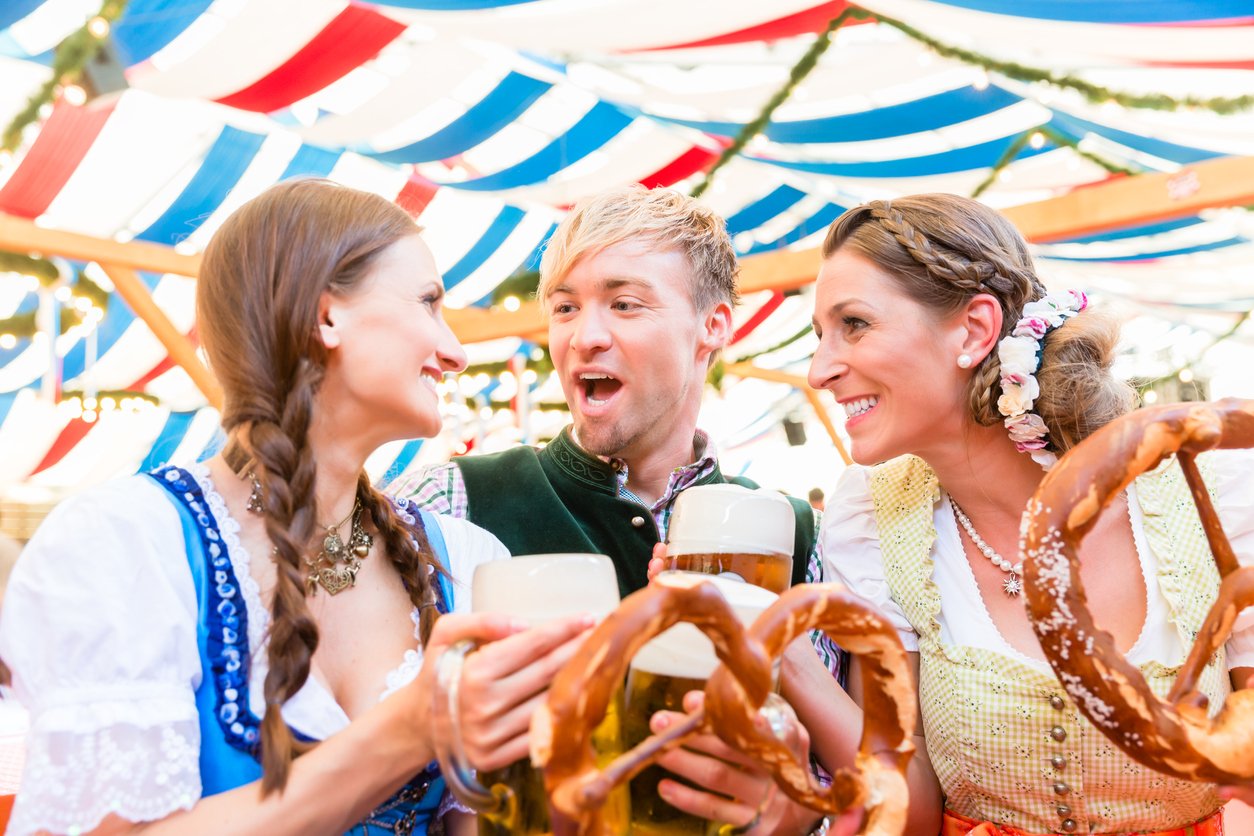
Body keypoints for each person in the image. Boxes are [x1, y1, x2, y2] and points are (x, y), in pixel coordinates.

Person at [0, 180, 591, 835]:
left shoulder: (466, 559)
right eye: (428, 303)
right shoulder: (127, 545)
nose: (457, 351)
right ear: (327, 316)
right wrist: (410, 728)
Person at [794, 193, 1254, 835]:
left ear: (975, 330)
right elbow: (911, 810)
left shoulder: (1213, 491)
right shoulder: (870, 519)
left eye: (855, 324)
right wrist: (786, 658)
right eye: (820, 335)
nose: (819, 370)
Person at [393, 184, 834, 832]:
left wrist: (801, 815)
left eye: (625, 304)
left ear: (713, 325)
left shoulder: (798, 536)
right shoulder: (446, 502)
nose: (584, 337)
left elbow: (837, 780)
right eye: (565, 308)